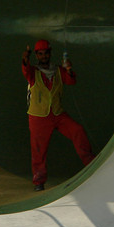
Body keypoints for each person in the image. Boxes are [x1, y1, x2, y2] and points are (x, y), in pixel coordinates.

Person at [22, 39, 95, 191]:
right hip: (38, 117)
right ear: (37, 55)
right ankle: (39, 182)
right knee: (38, 150)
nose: (43, 56)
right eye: (40, 54)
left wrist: (68, 69)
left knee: (77, 130)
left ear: (50, 53)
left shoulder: (58, 70)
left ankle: (91, 164)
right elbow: (25, 70)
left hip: (57, 113)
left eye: (46, 53)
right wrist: (25, 57)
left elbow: (71, 81)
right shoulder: (34, 72)